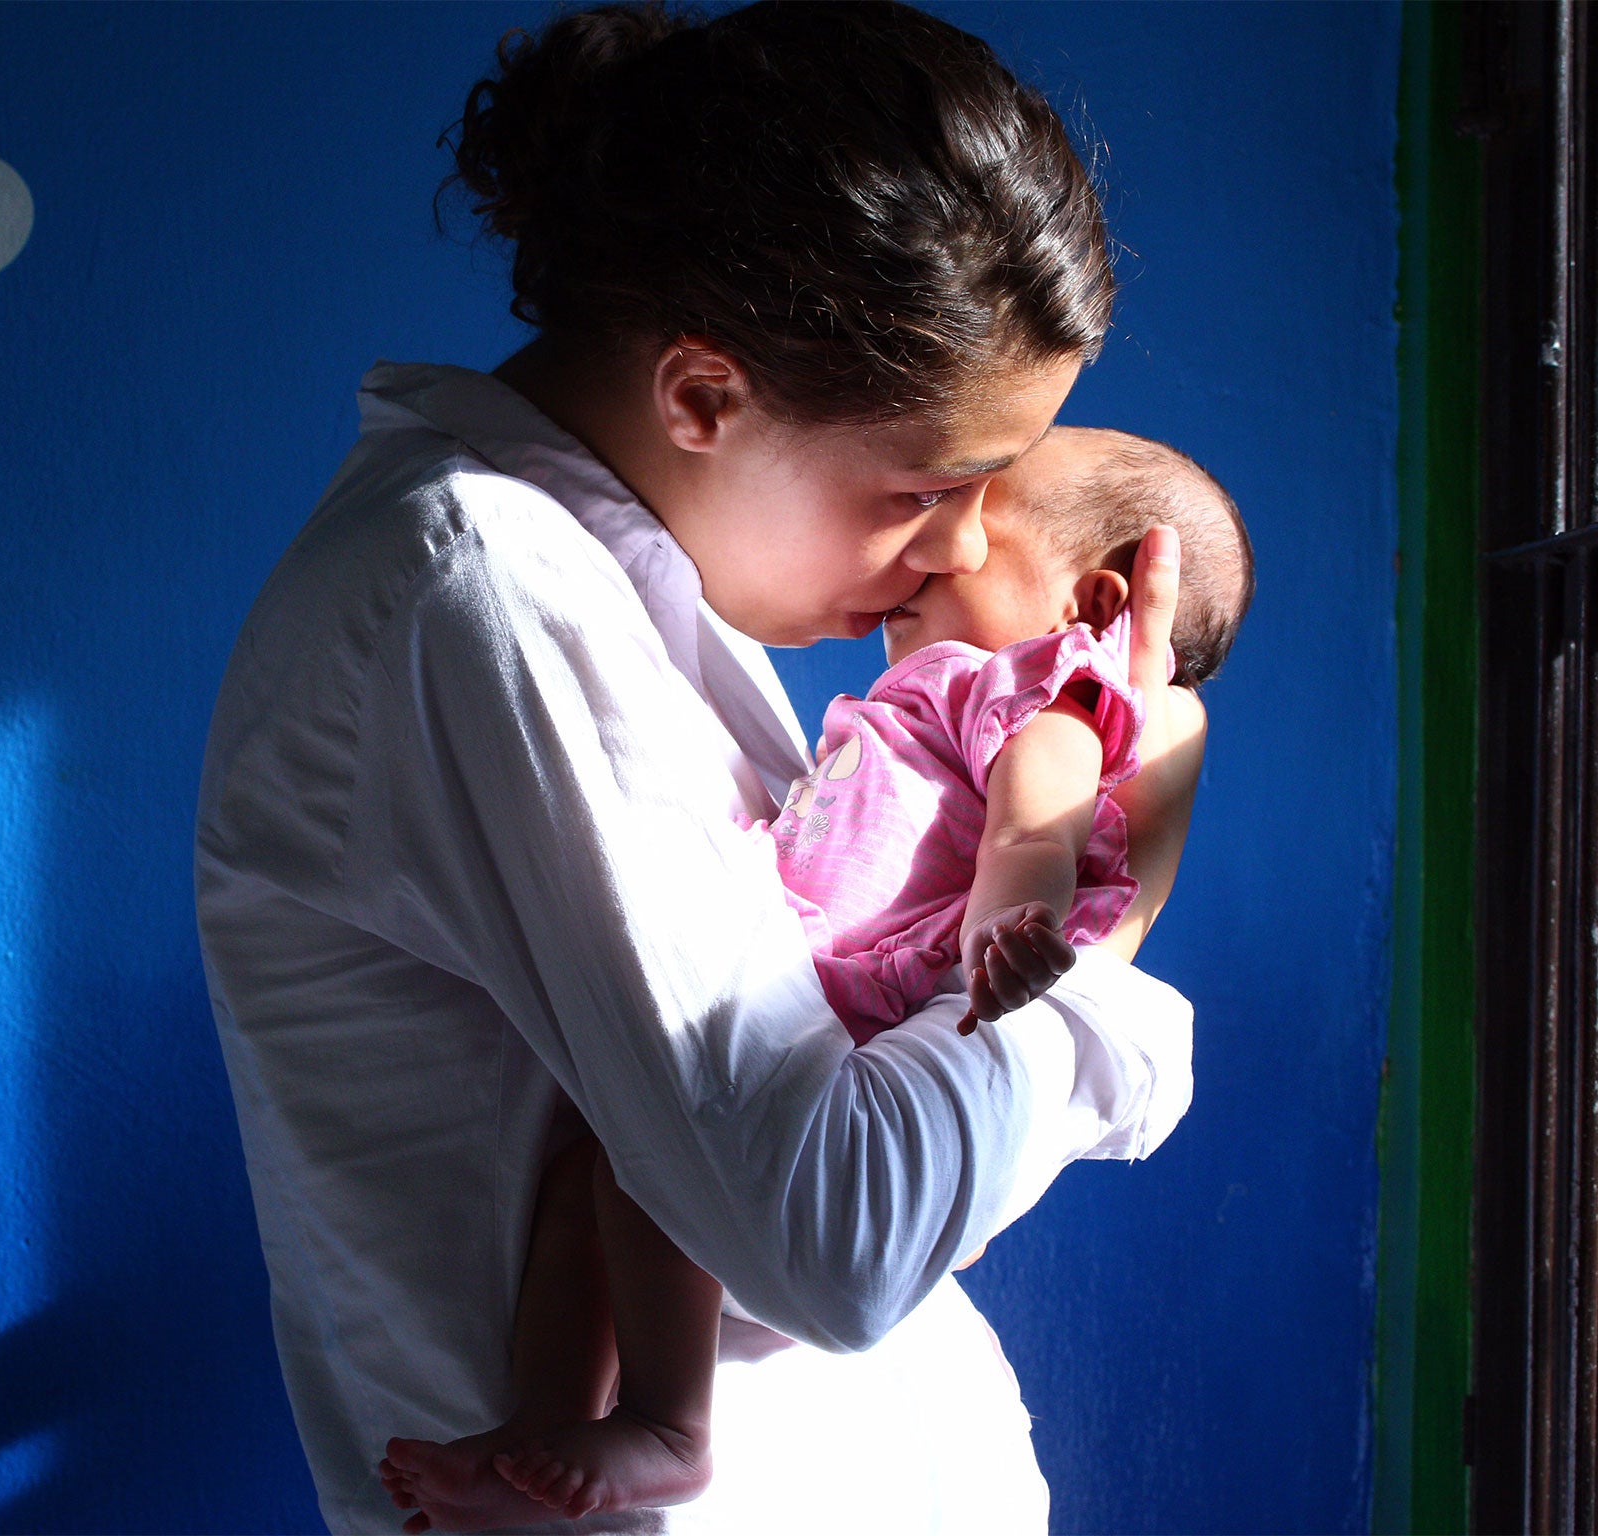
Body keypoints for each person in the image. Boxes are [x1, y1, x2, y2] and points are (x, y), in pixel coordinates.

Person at [193, 5, 1207, 1532]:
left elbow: (880, 1169)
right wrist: (1102, 940)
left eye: (992, 491)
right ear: (704, 396)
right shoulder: (492, 601)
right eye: (926, 489)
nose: (965, 550)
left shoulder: (639, 600)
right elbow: (842, 1234)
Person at [381, 430, 1251, 1525]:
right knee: (596, 1181)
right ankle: (547, 1429)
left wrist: (1012, 923)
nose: (942, 542)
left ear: (1087, 601)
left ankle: (663, 1424)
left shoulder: (1040, 685)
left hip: (870, 1004)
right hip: (828, 999)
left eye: (978, 525)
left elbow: (1037, 814)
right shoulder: (936, 690)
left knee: (638, 1185)